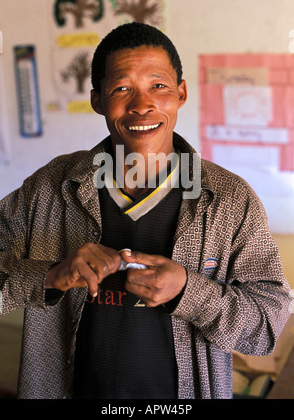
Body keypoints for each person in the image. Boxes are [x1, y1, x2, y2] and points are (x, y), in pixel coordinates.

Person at [0, 22, 291, 400]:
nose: (142, 105)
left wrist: (189, 290)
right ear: (97, 100)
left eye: (159, 86)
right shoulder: (53, 188)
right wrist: (51, 276)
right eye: (122, 88)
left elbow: (267, 327)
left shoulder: (229, 199)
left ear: (181, 93)